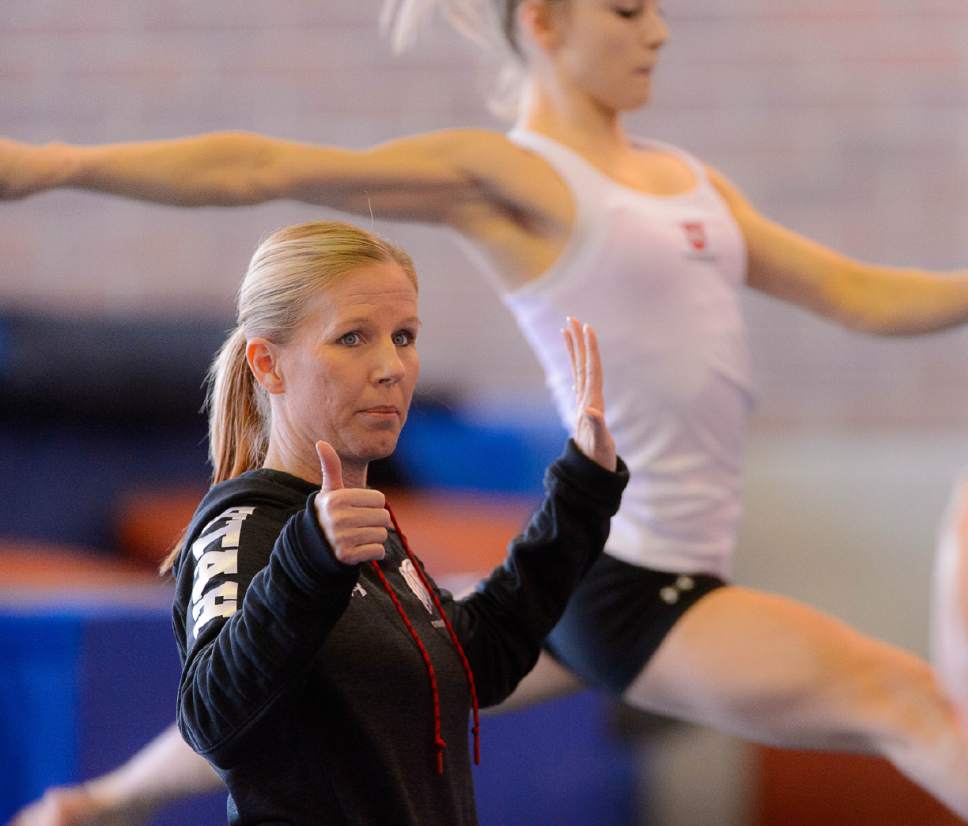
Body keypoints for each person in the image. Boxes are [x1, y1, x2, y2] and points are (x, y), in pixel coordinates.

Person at [4, 0, 968, 819]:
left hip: (598, 561)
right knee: (910, 701)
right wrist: (55, 164)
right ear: (545, 22)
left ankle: (98, 801)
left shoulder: (692, 183)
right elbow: (262, 166)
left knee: (344, 670)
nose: (661, 31)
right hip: (641, 576)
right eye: (628, 8)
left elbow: (863, 293)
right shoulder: (520, 178)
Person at [167, 219, 624, 824]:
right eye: (353, 338)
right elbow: (211, 717)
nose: (392, 367)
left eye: (404, 337)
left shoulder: (366, 531)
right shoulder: (246, 528)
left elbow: (477, 660)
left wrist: (580, 495)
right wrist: (308, 563)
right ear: (268, 365)